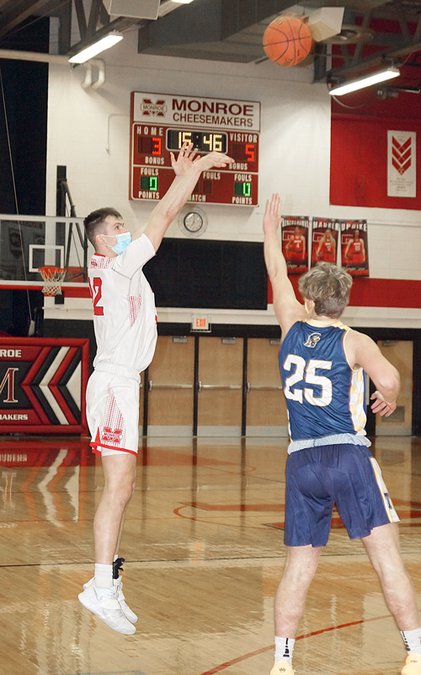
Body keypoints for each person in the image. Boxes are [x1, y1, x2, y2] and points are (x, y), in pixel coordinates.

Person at [78, 143, 233, 635]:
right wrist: (197, 170)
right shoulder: (117, 265)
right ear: (102, 241)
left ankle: (106, 580)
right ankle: (100, 587)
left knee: (122, 488)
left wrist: (183, 178)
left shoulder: (117, 268)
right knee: (117, 488)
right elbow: (163, 216)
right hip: (114, 383)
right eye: (118, 226)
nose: (127, 230)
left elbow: (160, 217)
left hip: (120, 383)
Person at [263, 193, 421, 675]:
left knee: (298, 568)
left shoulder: (290, 323)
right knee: (386, 560)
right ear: (342, 301)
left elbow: (276, 272)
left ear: (309, 300)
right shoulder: (355, 340)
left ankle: (282, 661)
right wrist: (389, 396)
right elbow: (390, 380)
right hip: (347, 458)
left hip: (301, 462)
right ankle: (416, 653)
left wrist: (270, 232)